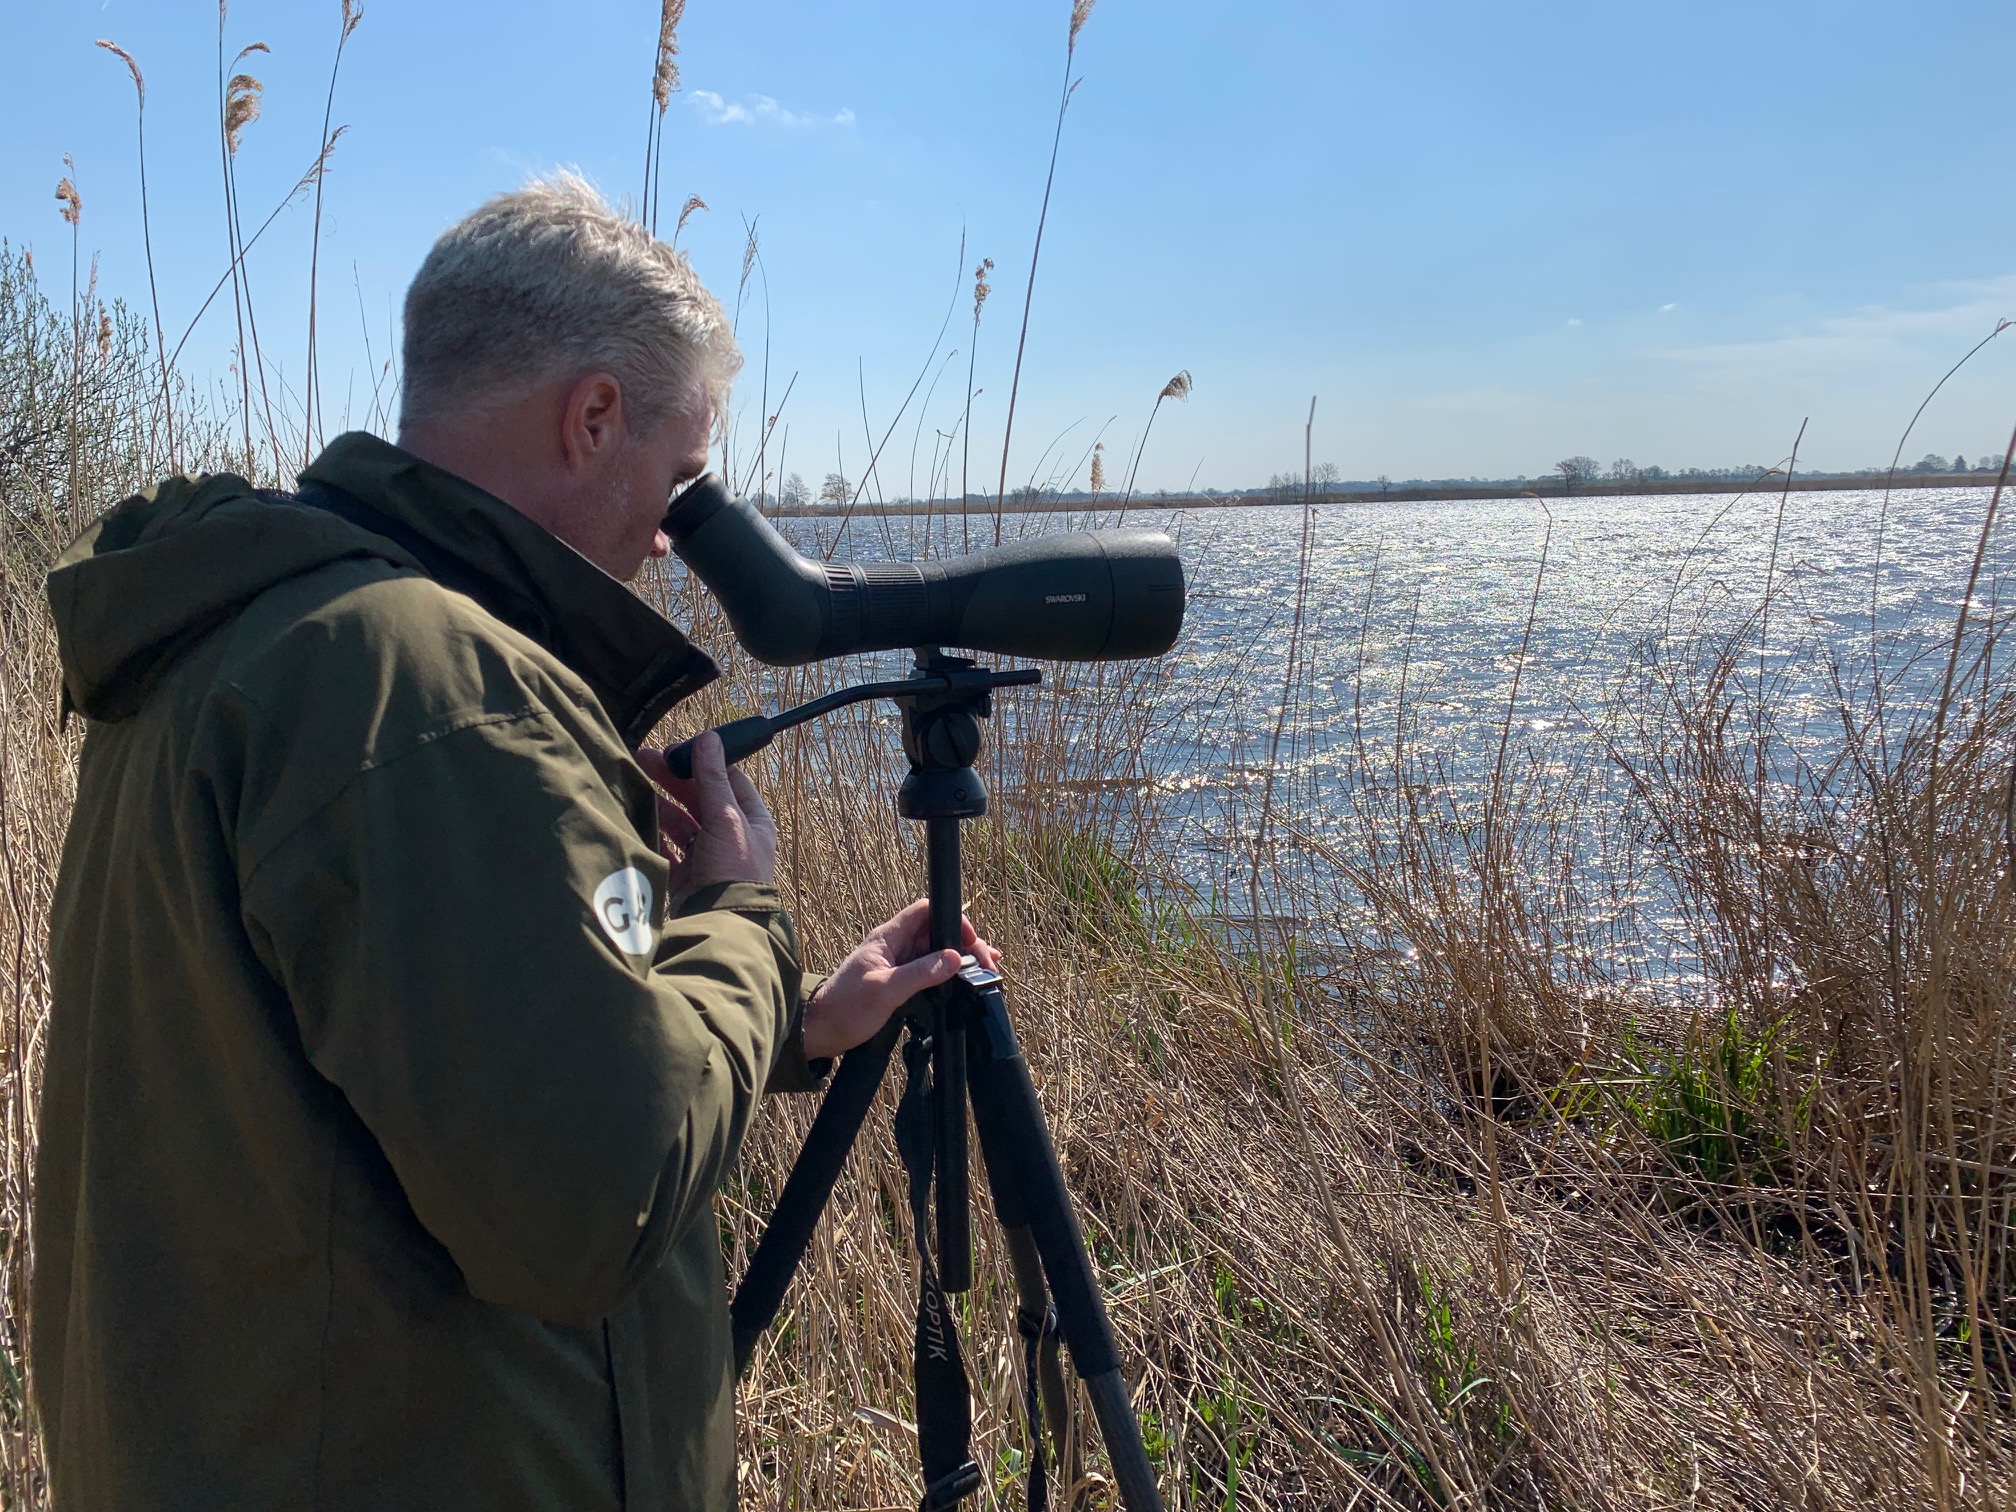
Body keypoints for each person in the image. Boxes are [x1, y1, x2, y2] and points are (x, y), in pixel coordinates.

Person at [32, 173, 995, 1510]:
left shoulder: (252, 635)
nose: (667, 543)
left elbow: (404, 1062)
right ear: (592, 417)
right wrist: (741, 919)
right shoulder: (430, 689)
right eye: (679, 479)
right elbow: (593, 1206)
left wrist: (789, 1018)